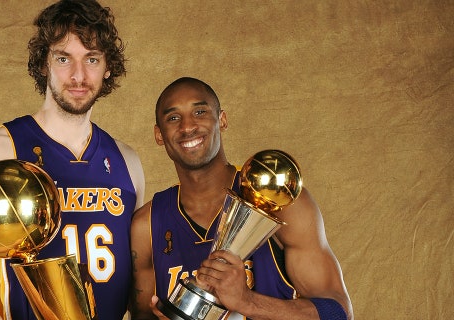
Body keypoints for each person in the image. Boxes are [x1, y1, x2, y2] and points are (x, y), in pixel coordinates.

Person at [0, 1, 145, 319]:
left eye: (91, 59)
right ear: (43, 64)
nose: (79, 75)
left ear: (107, 67)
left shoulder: (127, 163)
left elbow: (136, 288)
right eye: (64, 58)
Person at [129, 77, 352, 319]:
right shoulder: (147, 226)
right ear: (159, 134)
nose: (187, 127)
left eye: (200, 112)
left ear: (222, 120)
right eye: (173, 118)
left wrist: (247, 301)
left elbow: (339, 313)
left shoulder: (279, 201)